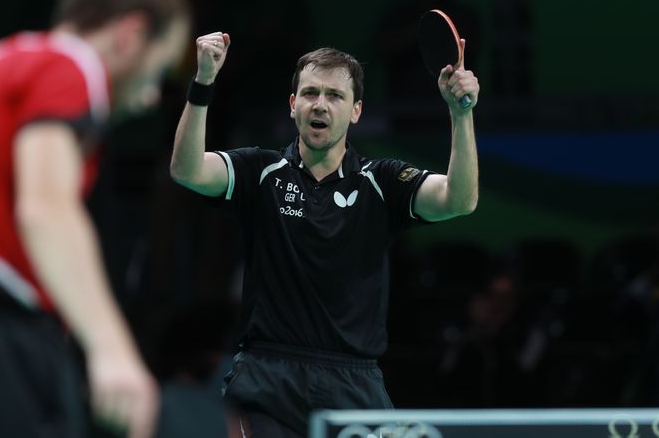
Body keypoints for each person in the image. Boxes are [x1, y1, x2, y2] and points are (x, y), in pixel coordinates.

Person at [0, 0, 189, 438]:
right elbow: (46, 207)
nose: (149, 97)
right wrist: (112, 349)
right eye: (159, 68)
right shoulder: (68, 66)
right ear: (131, 33)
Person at [170, 31, 480, 436]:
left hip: (353, 381)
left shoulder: (381, 182)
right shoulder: (260, 173)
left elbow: (459, 200)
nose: (321, 104)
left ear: (356, 111)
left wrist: (460, 113)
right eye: (311, 93)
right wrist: (204, 81)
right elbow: (187, 170)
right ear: (293, 105)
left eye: (335, 95)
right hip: (268, 378)